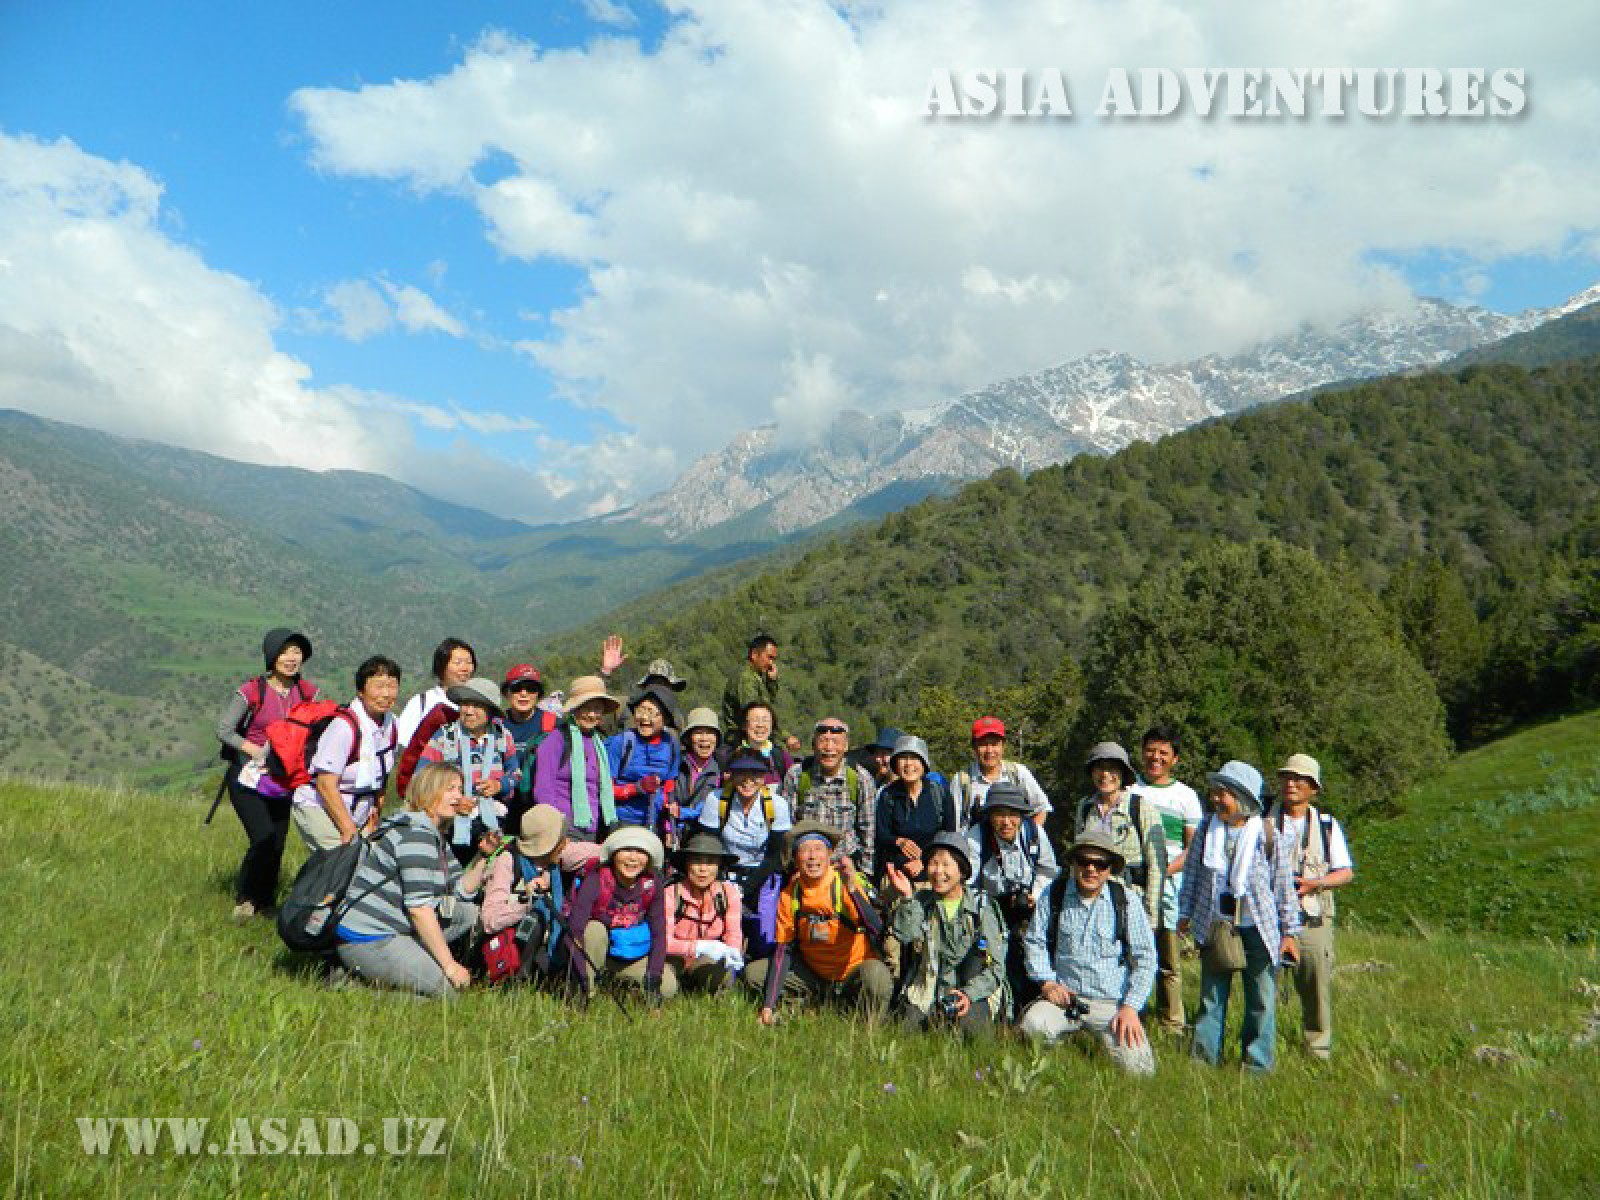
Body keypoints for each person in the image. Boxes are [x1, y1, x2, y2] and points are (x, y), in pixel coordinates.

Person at [1178, 760, 1302, 1072]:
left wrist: (1289, 933)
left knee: (1261, 998)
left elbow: (1284, 888)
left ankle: (1257, 1064)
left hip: (1259, 929)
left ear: (1243, 798)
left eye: (1224, 793)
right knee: (1211, 998)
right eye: (1215, 793)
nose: (1217, 799)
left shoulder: (1267, 835)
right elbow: (1192, 874)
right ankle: (1204, 1062)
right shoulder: (1207, 829)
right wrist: (1185, 914)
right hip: (1216, 925)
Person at [334, 764, 495, 997]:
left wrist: (483, 856)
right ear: (429, 792)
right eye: (450, 789)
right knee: (447, 994)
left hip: (396, 925)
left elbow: (459, 890)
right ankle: (352, 985)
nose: (458, 796)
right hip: (372, 937)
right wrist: (449, 966)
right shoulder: (416, 836)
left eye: (460, 789)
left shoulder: (433, 833)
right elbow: (419, 909)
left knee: (470, 914)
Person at [1019, 830, 1158, 1075]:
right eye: (1084, 861)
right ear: (1073, 863)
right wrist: (1048, 983)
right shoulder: (1054, 895)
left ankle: (1102, 1043)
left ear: (1110, 869)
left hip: (1112, 1004)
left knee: (1141, 1071)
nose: (1091, 869)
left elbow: (1145, 959)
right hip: (1065, 999)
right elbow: (1035, 942)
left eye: (1100, 864)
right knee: (1033, 1025)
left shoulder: (1126, 901)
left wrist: (1130, 1008)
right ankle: (1060, 1055)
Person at [214, 627, 322, 922]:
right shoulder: (252, 691)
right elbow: (223, 730)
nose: (291, 658)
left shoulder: (308, 692)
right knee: (262, 837)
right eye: (285, 651)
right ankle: (246, 898)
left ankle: (266, 901)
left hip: (283, 779)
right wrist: (255, 750)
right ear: (271, 655)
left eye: (297, 652)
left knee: (277, 842)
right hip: (247, 778)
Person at [747, 822, 892, 1025]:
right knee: (754, 974)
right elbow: (784, 951)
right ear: (796, 859)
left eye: (818, 849)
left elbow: (875, 927)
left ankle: (867, 1027)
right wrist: (767, 1006)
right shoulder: (790, 894)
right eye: (805, 850)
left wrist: (852, 889)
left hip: (852, 973)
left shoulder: (844, 882)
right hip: (814, 974)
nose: (812, 856)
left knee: (876, 974)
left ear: (830, 853)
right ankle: (813, 1004)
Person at [1272, 753, 1355, 1061]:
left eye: (1300, 780)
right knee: (1264, 986)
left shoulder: (1327, 826)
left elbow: (1345, 872)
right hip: (1269, 919)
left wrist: (1314, 884)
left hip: (1313, 917)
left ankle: (1317, 1050)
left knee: (1315, 986)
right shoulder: (1263, 820)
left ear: (1313, 789)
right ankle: (1263, 1050)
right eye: (1287, 778)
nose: (1291, 784)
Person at [884, 832, 1007, 1033]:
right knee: (903, 1033)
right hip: (927, 991)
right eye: (933, 863)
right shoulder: (920, 901)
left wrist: (968, 994)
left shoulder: (981, 907)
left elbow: (996, 969)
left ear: (962, 870)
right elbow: (905, 935)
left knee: (971, 1031)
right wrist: (906, 898)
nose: (938, 871)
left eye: (946, 864)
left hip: (971, 992)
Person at [1130, 725, 1203, 1031]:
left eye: (1163, 753)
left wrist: (1163, 872)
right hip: (1134, 883)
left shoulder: (1185, 796)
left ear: (1175, 758)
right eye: (1150, 751)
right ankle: (1136, 1017)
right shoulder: (1130, 791)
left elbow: (1192, 848)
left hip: (1170, 886)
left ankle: (1172, 1022)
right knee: (1133, 953)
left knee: (1168, 958)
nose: (1155, 758)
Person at [291, 655, 403, 852]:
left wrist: (374, 812)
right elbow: (325, 784)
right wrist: (348, 828)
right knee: (341, 864)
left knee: (359, 867)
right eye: (378, 686)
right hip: (319, 805)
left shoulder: (392, 725)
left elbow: (382, 775)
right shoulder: (344, 727)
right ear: (360, 691)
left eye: (392, 686)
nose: (386, 694)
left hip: (360, 807)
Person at [966, 780, 1059, 1012]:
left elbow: (1048, 871)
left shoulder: (1034, 834)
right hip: (989, 906)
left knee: (1032, 952)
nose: (1006, 822)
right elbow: (968, 883)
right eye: (999, 815)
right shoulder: (976, 837)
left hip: (1029, 906)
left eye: (1013, 815)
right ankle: (996, 1007)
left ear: (1021, 816)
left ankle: (1029, 1004)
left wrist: (1036, 895)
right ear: (990, 816)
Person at [479, 805, 600, 982]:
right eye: (560, 839)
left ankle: (555, 974)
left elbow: (600, 851)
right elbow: (489, 921)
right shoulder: (507, 861)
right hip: (513, 942)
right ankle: (518, 982)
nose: (566, 843)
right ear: (546, 844)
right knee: (533, 920)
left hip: (546, 939)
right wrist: (526, 900)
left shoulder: (559, 856)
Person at [416, 677, 521, 865]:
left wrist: (500, 785)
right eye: (465, 704)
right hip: (452, 825)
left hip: (494, 821)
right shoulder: (444, 736)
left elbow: (516, 774)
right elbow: (422, 779)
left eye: (477, 706)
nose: (469, 711)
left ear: (489, 711)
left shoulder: (502, 736)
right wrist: (455, 802)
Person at [565, 826, 677, 1002]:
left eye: (640, 851)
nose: (633, 858)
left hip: (628, 955)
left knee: (668, 987)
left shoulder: (652, 884)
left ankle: (619, 986)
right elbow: (574, 931)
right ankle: (586, 993)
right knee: (594, 930)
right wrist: (582, 979)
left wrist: (653, 980)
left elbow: (659, 934)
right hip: (593, 954)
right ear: (614, 853)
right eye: (626, 850)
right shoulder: (596, 879)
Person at [1073, 742, 1167, 929]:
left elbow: (1157, 866)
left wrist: (1151, 917)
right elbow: (1077, 858)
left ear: (1123, 773)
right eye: (1100, 768)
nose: (1105, 775)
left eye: (1112, 768)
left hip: (1131, 902)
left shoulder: (1141, 808)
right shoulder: (1084, 808)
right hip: (1090, 902)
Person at [531, 676, 623, 843]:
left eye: (597, 709)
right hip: (563, 830)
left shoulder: (599, 743)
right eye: (585, 708)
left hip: (593, 829)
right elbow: (544, 788)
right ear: (574, 709)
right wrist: (554, 829)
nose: (591, 714)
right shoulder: (557, 740)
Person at [783, 717, 878, 876]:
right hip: (806, 869)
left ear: (846, 746)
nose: (829, 748)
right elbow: (788, 826)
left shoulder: (860, 778)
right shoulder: (796, 775)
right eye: (823, 741)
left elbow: (868, 831)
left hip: (844, 868)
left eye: (835, 742)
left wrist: (863, 873)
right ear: (814, 745)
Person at [663, 832, 746, 992]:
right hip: (673, 959)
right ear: (687, 864)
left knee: (723, 979)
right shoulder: (670, 894)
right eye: (696, 862)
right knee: (666, 987)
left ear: (718, 867)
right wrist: (698, 947)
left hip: (706, 961)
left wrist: (732, 952)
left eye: (710, 863)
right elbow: (663, 942)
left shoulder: (729, 894)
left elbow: (733, 934)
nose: (703, 869)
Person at [873, 735, 958, 882]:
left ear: (924, 763)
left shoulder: (940, 794)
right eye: (903, 758)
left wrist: (924, 861)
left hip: (935, 875)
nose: (908, 764)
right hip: (898, 876)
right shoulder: (888, 795)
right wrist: (899, 842)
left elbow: (948, 837)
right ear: (895, 765)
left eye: (914, 758)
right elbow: (881, 836)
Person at [950, 717, 1051, 828]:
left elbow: (1042, 808)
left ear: (1003, 746)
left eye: (994, 744)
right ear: (974, 747)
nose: (989, 751)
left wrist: (1028, 838)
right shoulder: (962, 781)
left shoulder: (1018, 773)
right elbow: (954, 825)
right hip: (972, 843)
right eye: (983, 744)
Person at [607, 684, 682, 834]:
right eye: (641, 710)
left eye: (653, 713)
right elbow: (605, 789)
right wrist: (636, 788)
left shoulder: (671, 744)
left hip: (655, 823)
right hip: (621, 822)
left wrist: (669, 821)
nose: (645, 718)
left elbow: (669, 785)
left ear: (666, 718)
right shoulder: (621, 743)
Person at [396, 638, 477, 750]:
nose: (465, 668)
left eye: (469, 662)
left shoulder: (479, 704)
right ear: (441, 666)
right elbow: (403, 744)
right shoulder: (421, 703)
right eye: (458, 663)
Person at [721, 633, 785, 746]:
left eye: (773, 659)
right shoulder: (746, 678)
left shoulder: (758, 677)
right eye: (769, 657)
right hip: (741, 743)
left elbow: (767, 703)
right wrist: (785, 737)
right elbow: (754, 712)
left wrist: (771, 682)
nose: (771, 663)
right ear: (754, 654)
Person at [720, 700, 792, 786]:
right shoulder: (729, 755)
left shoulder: (781, 757)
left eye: (765, 720)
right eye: (755, 720)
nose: (760, 725)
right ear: (744, 725)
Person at [676, 707, 725, 832]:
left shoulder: (722, 769)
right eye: (698, 732)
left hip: (705, 832)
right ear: (688, 738)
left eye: (709, 733)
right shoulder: (675, 763)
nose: (704, 738)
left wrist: (682, 812)